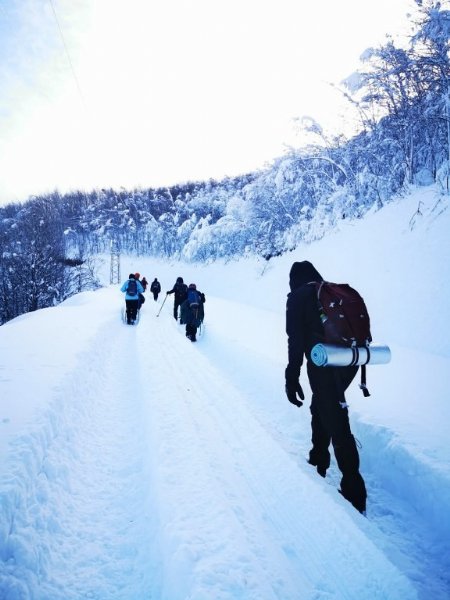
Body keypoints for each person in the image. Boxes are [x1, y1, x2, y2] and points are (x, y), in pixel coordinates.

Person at [285, 260, 367, 514]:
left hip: (323, 361)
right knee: (321, 405)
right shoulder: (327, 291)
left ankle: (354, 492)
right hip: (350, 360)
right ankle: (318, 458)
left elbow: (295, 341)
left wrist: (292, 377)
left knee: (335, 418)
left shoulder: (298, 297)